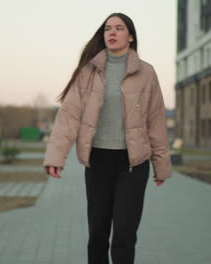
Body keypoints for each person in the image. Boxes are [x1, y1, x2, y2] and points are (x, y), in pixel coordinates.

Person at [43, 12, 172, 264]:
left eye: (119, 28)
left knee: (124, 235)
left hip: (133, 165)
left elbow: (155, 120)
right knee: (98, 235)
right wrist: (56, 157)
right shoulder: (87, 72)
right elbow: (69, 116)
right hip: (98, 162)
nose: (111, 32)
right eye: (107, 29)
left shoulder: (146, 72)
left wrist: (162, 165)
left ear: (131, 36)